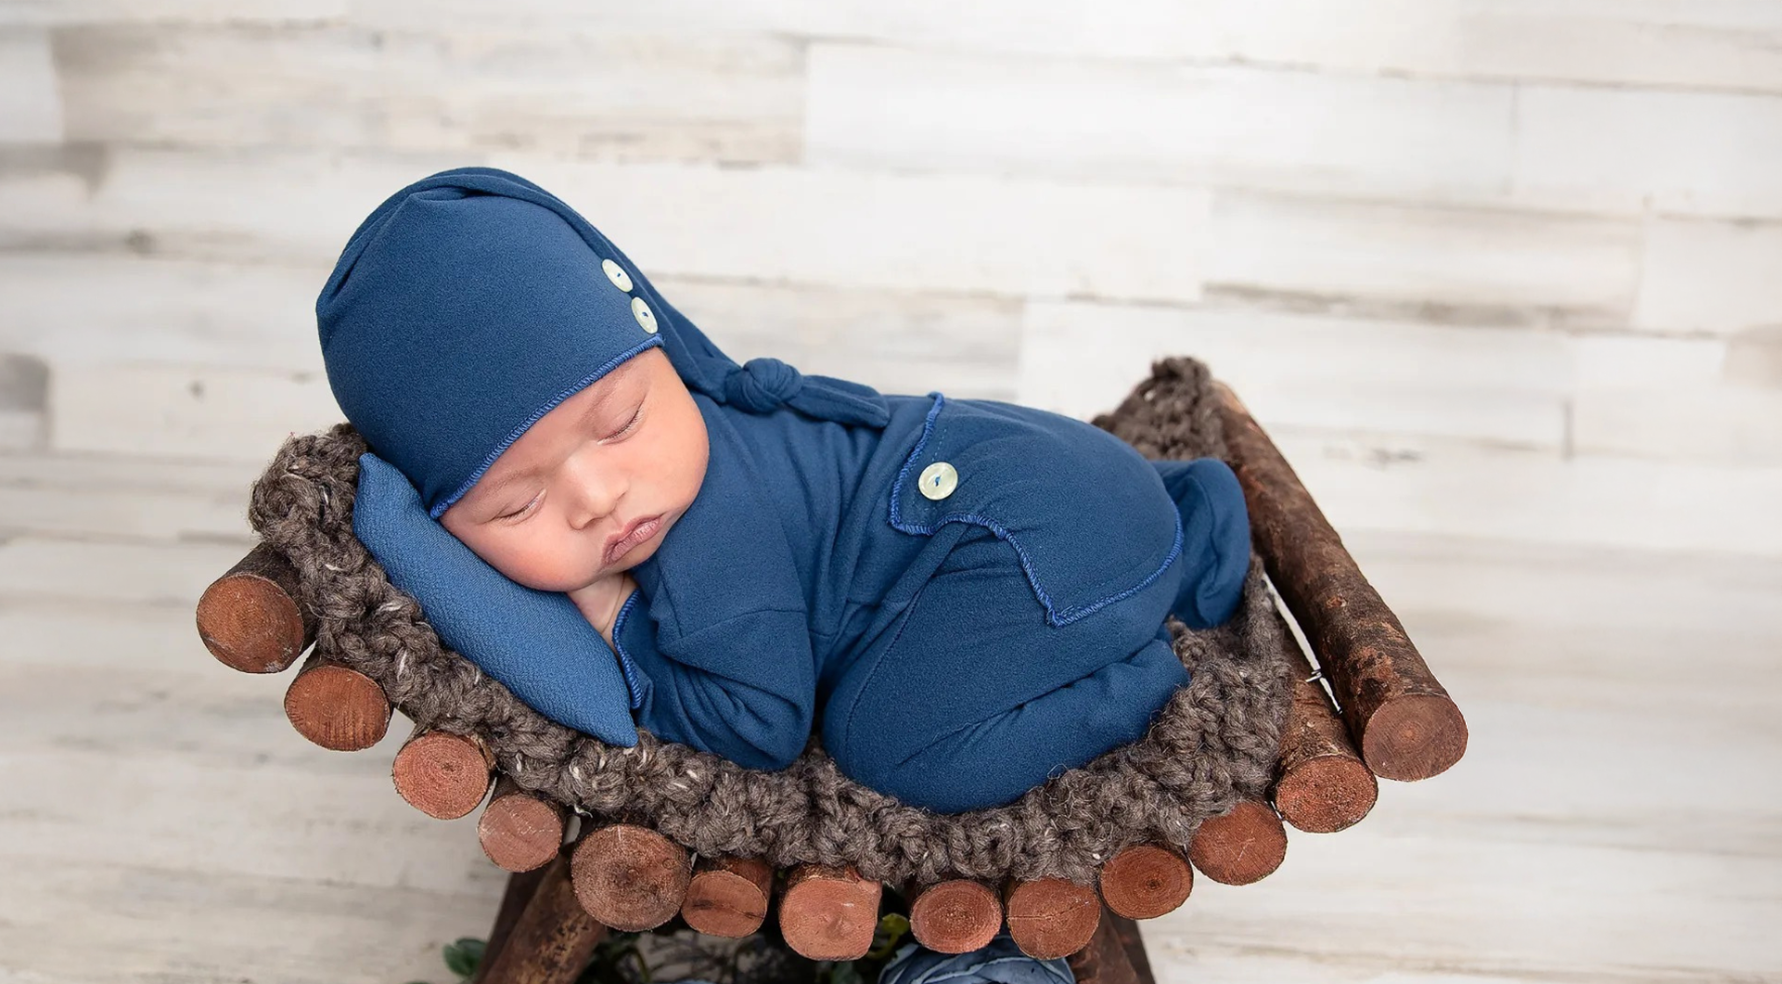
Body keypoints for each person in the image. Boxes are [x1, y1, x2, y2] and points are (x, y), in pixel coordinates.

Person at [318, 169, 1250, 814]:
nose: (602, 496)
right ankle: (1183, 529)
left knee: (889, 743)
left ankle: (1142, 669)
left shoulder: (703, 544)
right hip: (1073, 474)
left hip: (1029, 542)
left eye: (621, 422)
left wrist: (613, 615)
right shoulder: (686, 452)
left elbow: (762, 725)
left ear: (659, 353)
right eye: (518, 503)